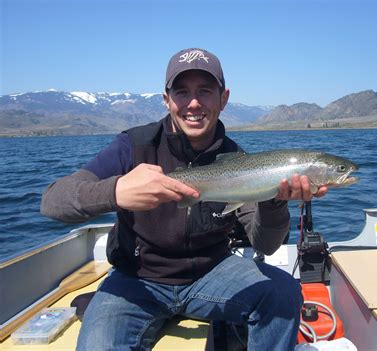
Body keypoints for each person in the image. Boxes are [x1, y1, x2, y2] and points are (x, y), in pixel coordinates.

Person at [41, 48, 328, 351]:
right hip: (136, 278)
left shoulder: (243, 164)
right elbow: (53, 201)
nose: (193, 103)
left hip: (213, 273)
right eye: (182, 92)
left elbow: (265, 245)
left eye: (205, 91)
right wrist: (116, 191)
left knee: (283, 293)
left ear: (223, 98)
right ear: (166, 99)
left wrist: (274, 200)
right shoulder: (134, 146)